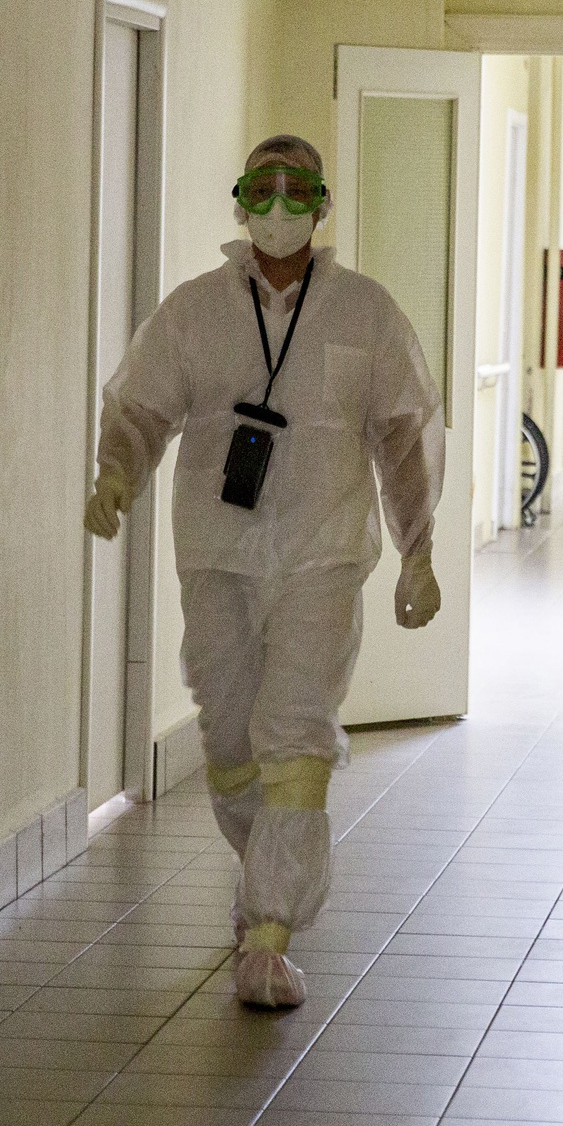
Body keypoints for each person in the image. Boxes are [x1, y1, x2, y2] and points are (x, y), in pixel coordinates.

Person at [83, 134, 444, 1010]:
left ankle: (272, 933)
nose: (280, 205)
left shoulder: (366, 313)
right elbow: (140, 405)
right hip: (218, 551)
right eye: (265, 187)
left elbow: (405, 436)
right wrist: (116, 473)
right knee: (231, 737)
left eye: (298, 189)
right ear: (241, 201)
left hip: (325, 553)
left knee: (295, 732)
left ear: (322, 205)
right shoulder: (195, 311)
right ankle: (262, 879)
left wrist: (418, 549)